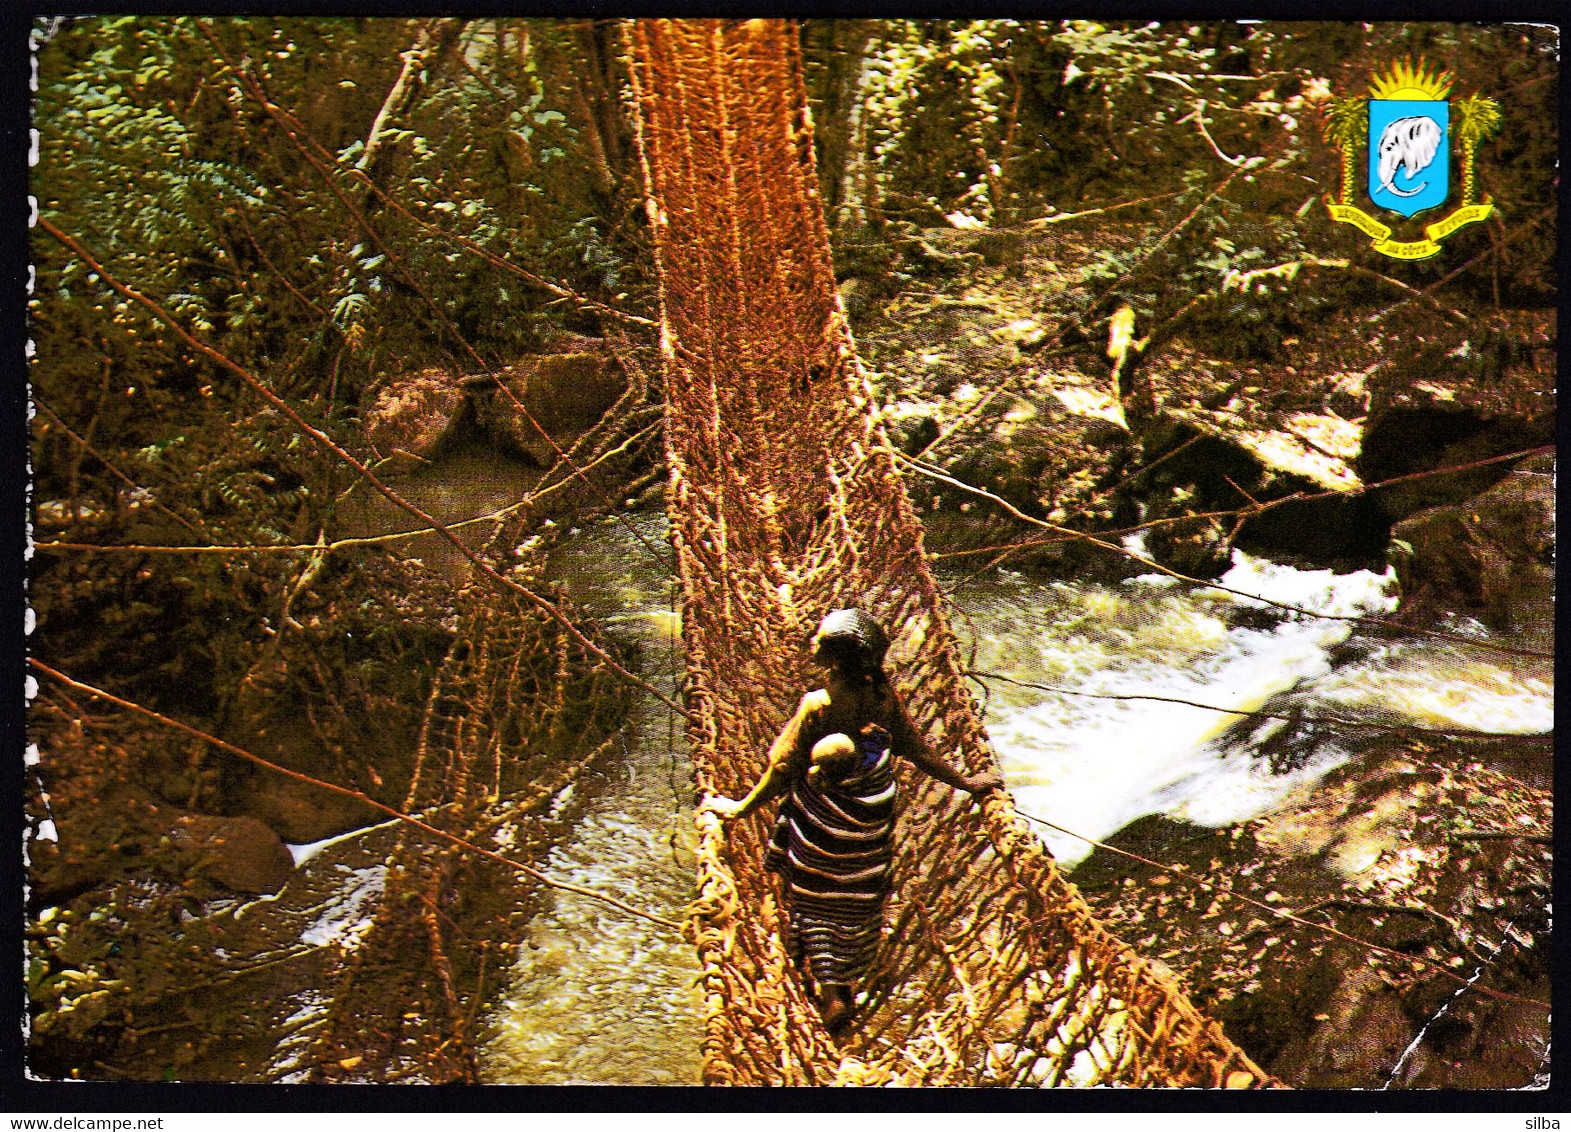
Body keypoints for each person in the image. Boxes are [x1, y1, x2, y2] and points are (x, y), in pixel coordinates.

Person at [702, 607, 1003, 1034]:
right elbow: (916, 750)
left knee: (812, 896)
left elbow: (781, 769)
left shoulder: (817, 706)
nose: (811, 641)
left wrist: (740, 808)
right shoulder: (882, 699)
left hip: (820, 826)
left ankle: (827, 991)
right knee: (851, 903)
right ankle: (842, 986)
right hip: (867, 829)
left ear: (834, 658)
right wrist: (967, 782)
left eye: (819, 639)